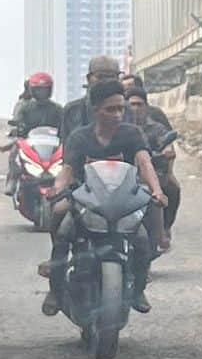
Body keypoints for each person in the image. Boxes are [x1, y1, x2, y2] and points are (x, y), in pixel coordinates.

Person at [42, 80, 167, 317]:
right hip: (85, 200)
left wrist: (157, 190)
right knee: (60, 221)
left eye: (121, 109)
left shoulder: (132, 134)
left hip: (123, 202)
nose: (118, 114)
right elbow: (68, 170)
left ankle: (139, 289)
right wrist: (57, 188)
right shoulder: (80, 138)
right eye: (111, 109)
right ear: (95, 110)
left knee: (142, 240)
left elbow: (144, 162)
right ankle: (55, 289)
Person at [126, 86, 179, 252]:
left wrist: (168, 164)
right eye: (132, 104)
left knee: (171, 190)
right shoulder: (120, 129)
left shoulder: (156, 128)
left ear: (146, 106)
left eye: (139, 104)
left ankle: (163, 230)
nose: (136, 109)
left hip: (152, 174)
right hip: (123, 176)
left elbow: (168, 147)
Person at [60, 56, 121, 141]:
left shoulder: (126, 109)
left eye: (111, 77)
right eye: (101, 76)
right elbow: (66, 147)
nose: (106, 81)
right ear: (88, 79)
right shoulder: (72, 110)